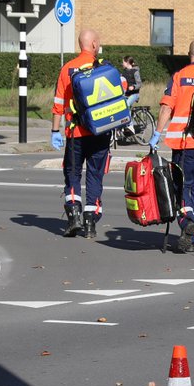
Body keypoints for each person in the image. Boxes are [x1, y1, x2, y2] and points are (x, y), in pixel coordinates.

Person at [50, 28, 113, 239]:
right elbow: (120, 90)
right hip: (100, 133)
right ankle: (90, 224)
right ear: (94, 45)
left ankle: (74, 216)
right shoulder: (104, 68)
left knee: (72, 175)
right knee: (95, 176)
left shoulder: (67, 69)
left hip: (75, 133)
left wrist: (54, 130)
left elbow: (58, 104)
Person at [154, 40, 194, 254]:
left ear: (190, 55)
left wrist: (157, 133)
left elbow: (167, 107)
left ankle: (187, 221)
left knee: (183, 187)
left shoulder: (179, 77)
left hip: (183, 143)